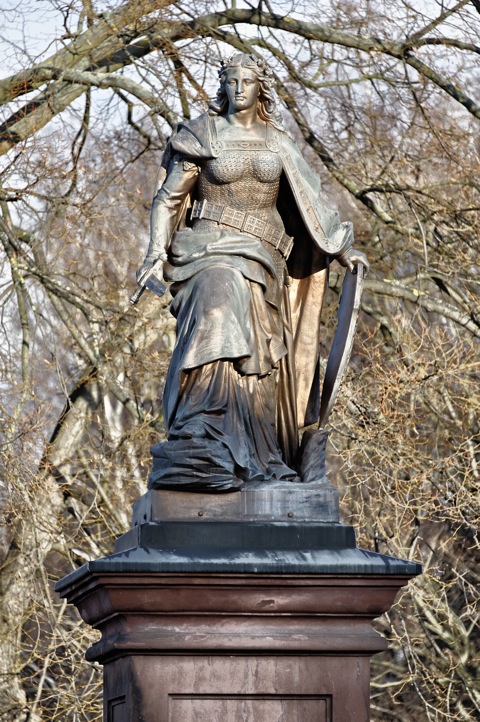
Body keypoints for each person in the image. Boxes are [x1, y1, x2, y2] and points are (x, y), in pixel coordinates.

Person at [137, 53, 368, 492]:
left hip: (263, 260)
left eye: (247, 81)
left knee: (259, 358)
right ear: (221, 86)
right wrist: (152, 253)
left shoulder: (278, 142)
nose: (238, 88)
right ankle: (201, 431)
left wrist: (342, 250)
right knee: (218, 309)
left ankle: (256, 451)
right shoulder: (201, 135)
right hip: (206, 250)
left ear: (260, 88)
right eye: (231, 81)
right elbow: (168, 199)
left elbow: (313, 201)